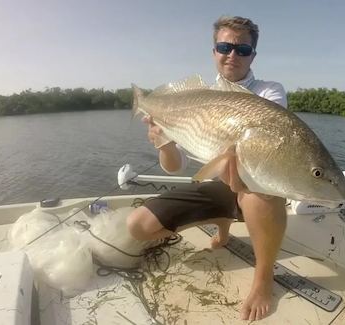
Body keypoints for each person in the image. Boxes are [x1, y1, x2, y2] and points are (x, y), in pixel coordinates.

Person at [126, 16, 287, 321]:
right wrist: (164, 142)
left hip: (251, 182)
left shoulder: (270, 92)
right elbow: (175, 168)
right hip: (216, 180)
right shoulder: (191, 100)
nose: (232, 55)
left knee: (257, 191)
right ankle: (221, 221)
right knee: (137, 226)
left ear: (253, 55)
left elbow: (272, 140)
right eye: (224, 46)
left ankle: (264, 277)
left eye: (242, 49)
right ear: (214, 51)